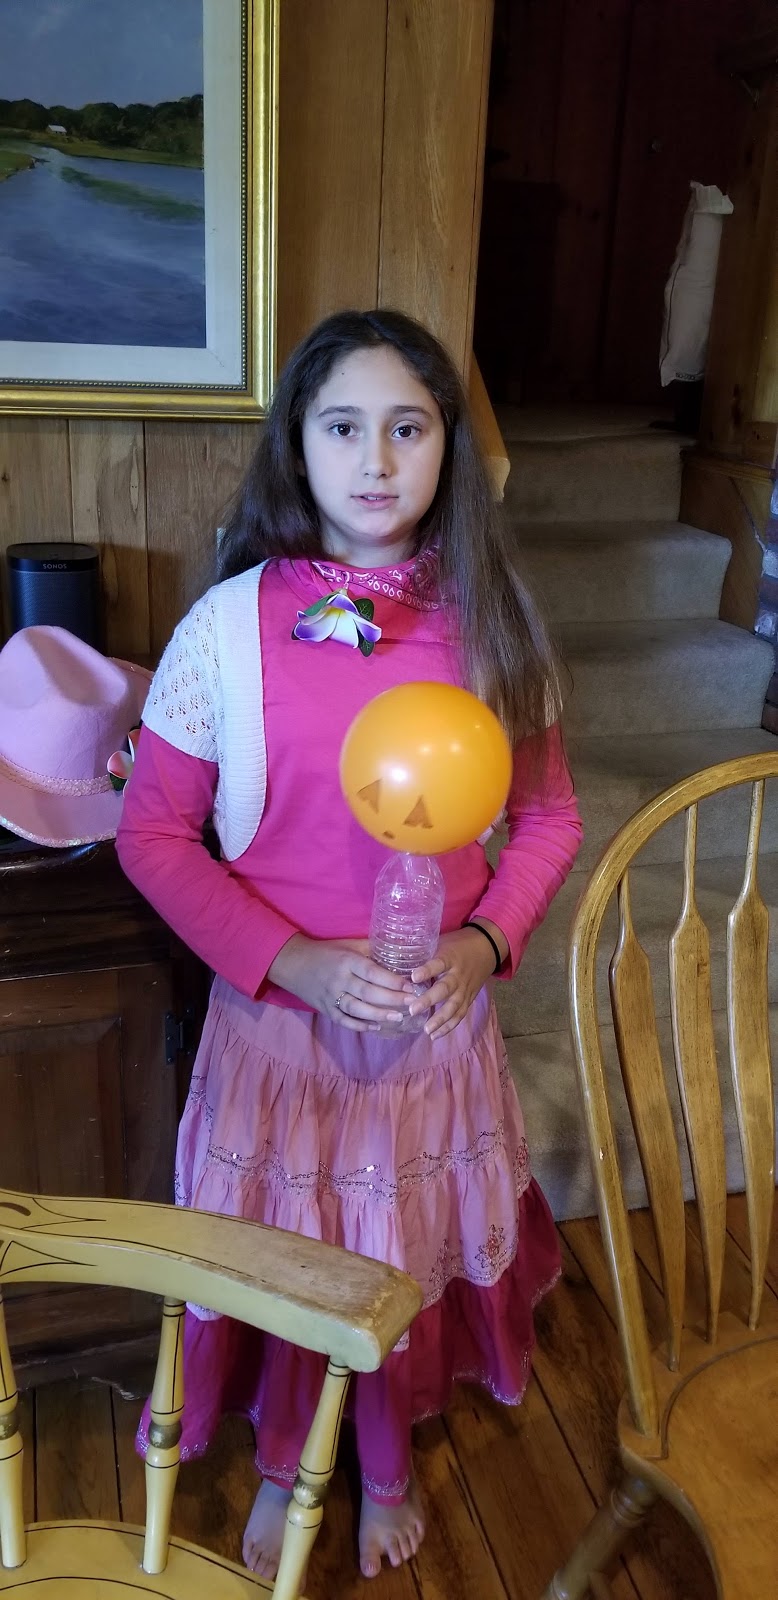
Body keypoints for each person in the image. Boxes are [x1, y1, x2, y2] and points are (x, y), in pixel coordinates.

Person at [116, 308, 583, 1582]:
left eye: (407, 427)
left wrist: (484, 944)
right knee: (293, 1256)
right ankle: (287, 1460)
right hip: (280, 1041)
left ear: (446, 448)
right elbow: (152, 833)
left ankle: (381, 1465)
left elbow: (547, 818)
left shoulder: (495, 622)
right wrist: (297, 962)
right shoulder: (226, 627)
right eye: (342, 427)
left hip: (431, 1040)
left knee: (394, 1258)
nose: (374, 460)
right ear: (298, 444)